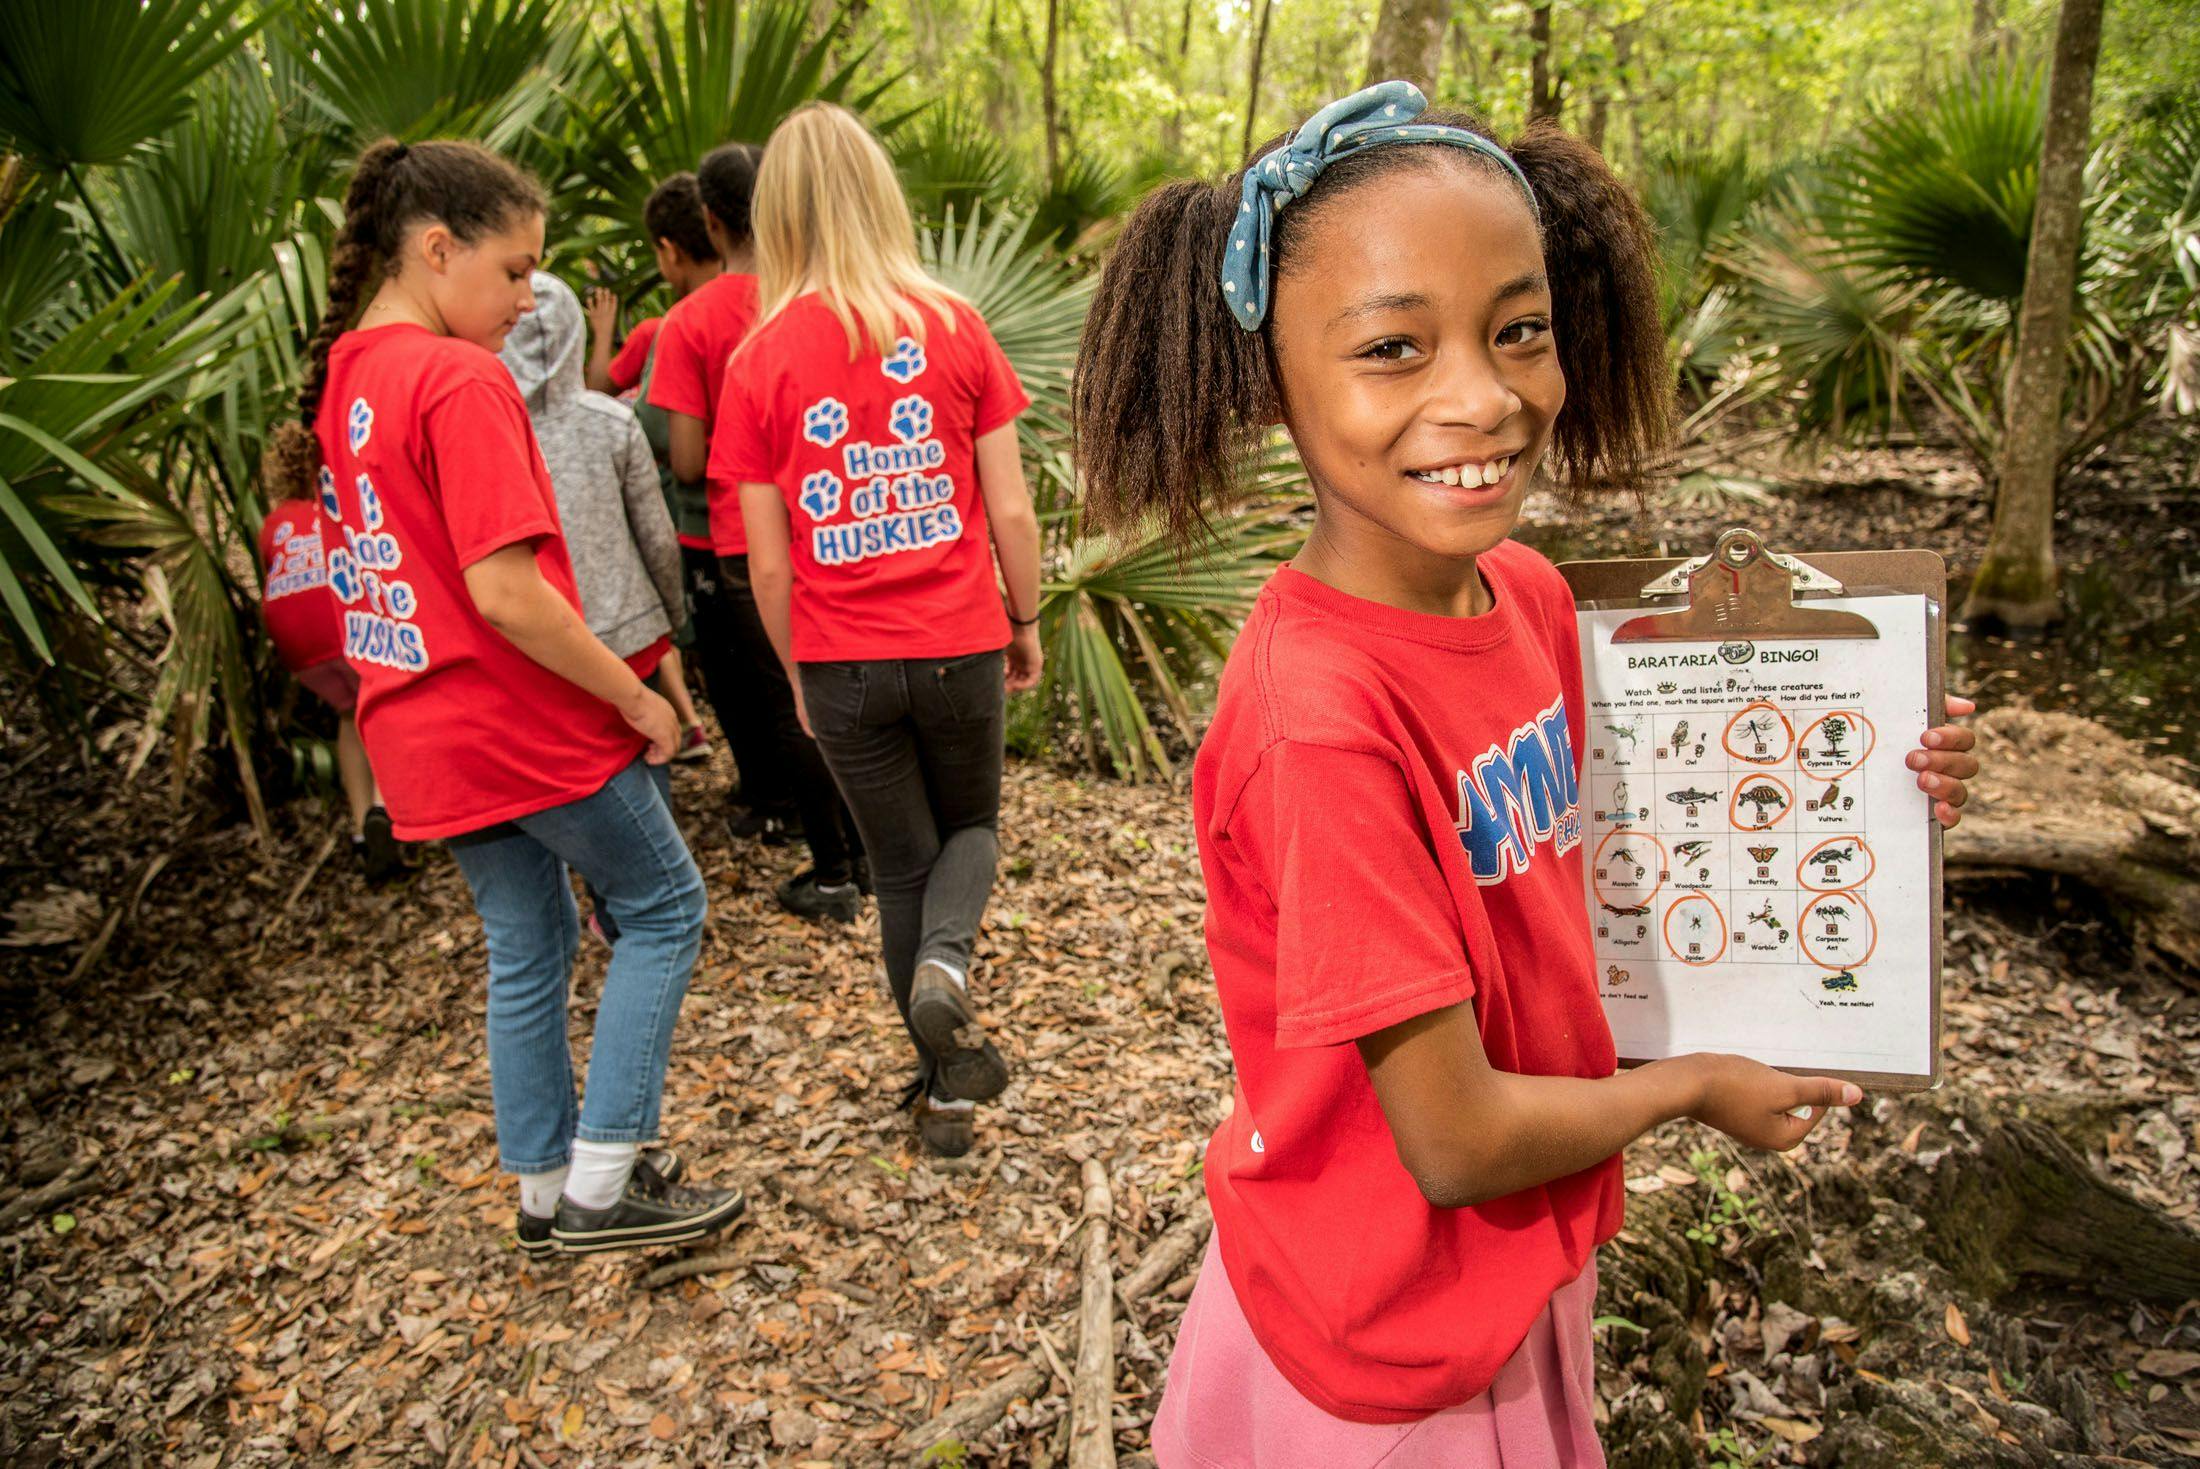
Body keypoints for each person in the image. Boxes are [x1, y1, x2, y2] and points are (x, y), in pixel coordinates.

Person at [1069, 82, 1983, 1464]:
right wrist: (1693, 1089)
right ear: (1273, 379)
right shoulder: (1317, 717)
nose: (1483, 398)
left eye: (1520, 332)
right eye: (1393, 348)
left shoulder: (1529, 597)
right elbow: (1450, 1137)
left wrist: (1872, 778)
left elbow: (1636, 843)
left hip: (1517, 1262)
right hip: (1385, 1339)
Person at [259, 137, 745, 1258]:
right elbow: (508, 593)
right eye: (518, 271)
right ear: (437, 250)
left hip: (418, 730)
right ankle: (604, 1184)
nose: (531, 300)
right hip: (515, 721)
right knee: (666, 909)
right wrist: (635, 701)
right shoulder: (456, 377)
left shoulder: (349, 373)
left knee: (526, 945)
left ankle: (541, 1184)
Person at [720, 103, 1043, 1159]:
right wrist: (1025, 618)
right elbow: (1012, 510)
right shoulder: (953, 324)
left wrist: (798, 671)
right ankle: (946, 986)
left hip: (840, 658)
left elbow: (765, 559)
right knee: (976, 833)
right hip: (957, 640)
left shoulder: (757, 358)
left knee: (900, 865)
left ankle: (937, 1081)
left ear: (777, 216)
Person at [652, 142, 867, 916]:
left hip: (737, 543)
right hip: (837, 526)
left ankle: (833, 866)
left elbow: (683, 459)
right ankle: (873, 850)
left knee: (791, 701)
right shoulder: (822, 299)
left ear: (709, 221)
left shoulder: (691, 321)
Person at [257, 497, 406, 883]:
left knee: (348, 713)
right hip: (341, 627)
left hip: (295, 643)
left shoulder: (275, 522)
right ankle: (383, 808)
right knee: (385, 704)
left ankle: (361, 831)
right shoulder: (340, 502)